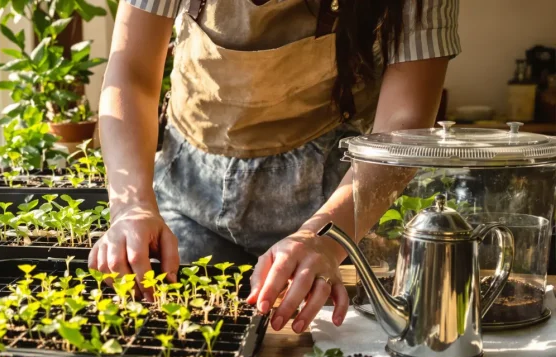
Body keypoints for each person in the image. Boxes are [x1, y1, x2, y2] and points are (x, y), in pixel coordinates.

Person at [90, 0, 460, 333]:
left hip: (337, 198)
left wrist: (328, 239)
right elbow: (132, 73)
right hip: (188, 193)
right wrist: (132, 205)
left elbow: (404, 124)